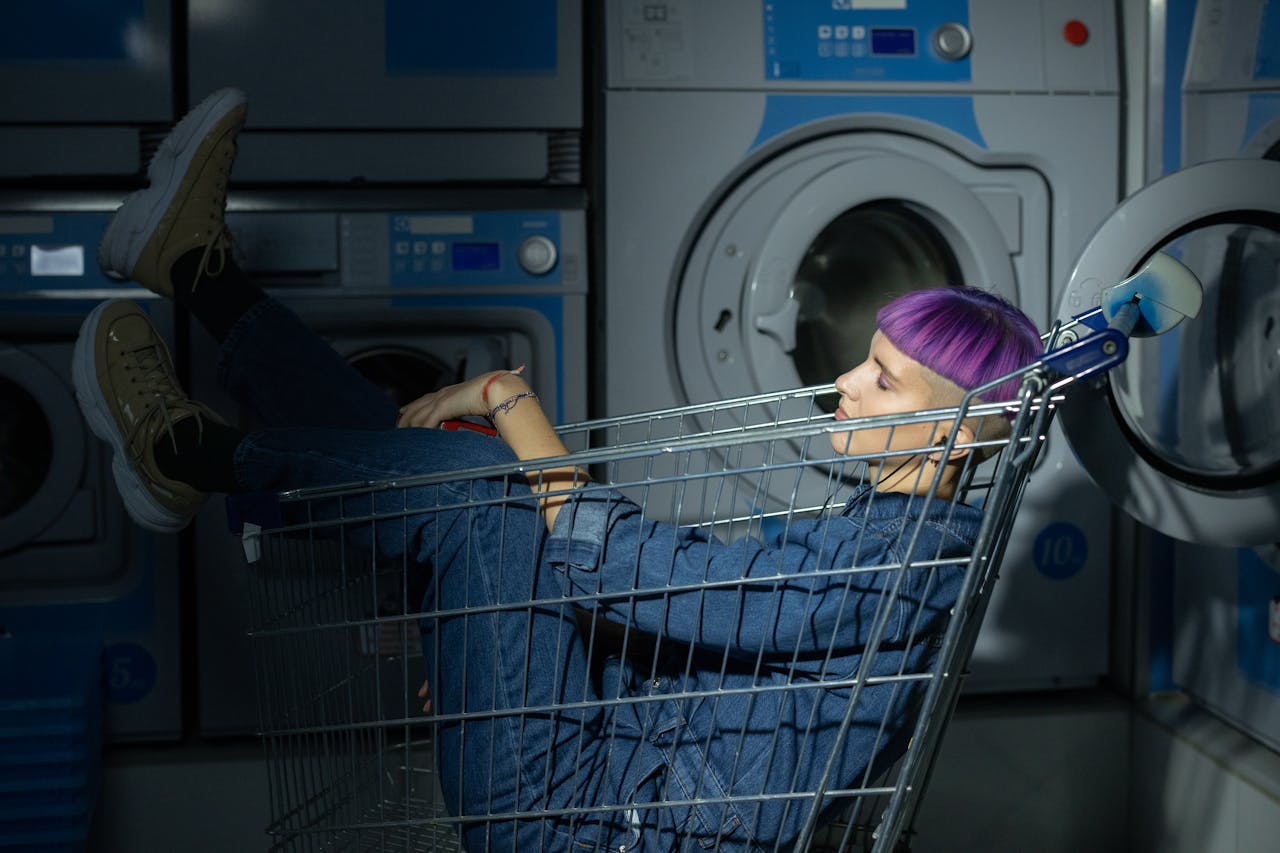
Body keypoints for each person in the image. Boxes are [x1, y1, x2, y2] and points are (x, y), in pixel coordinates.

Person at [74, 89, 1044, 852]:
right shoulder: (893, 540)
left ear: (959, 432)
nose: (841, 383)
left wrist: (511, 402)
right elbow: (702, 636)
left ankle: (189, 453)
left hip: (577, 825)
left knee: (484, 485)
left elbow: (634, 574)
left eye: (881, 378)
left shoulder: (887, 565)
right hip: (592, 766)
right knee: (477, 486)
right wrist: (517, 645)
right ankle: (199, 275)